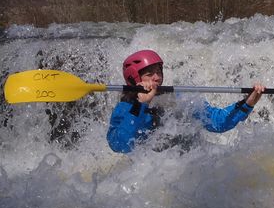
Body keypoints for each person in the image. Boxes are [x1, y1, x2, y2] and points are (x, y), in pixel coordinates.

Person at [107, 49, 265, 153]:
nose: (157, 77)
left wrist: (248, 103)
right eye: (149, 74)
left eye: (158, 72)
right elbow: (121, 145)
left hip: (187, 172)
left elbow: (218, 123)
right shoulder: (125, 108)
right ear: (134, 79)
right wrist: (140, 105)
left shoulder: (180, 99)